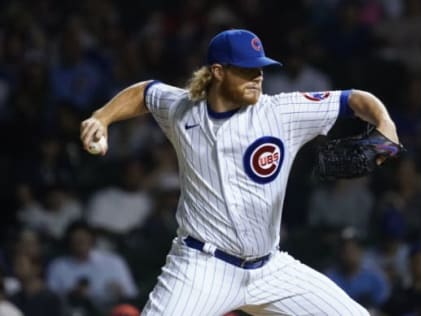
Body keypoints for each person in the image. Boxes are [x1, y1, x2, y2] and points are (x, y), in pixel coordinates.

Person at [80, 29, 400, 315]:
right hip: (201, 267)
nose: (258, 76)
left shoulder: (280, 112)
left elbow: (355, 99)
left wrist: (386, 126)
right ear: (218, 72)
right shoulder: (181, 109)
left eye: (260, 68)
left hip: (270, 269)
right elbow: (145, 92)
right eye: (247, 69)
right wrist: (102, 117)